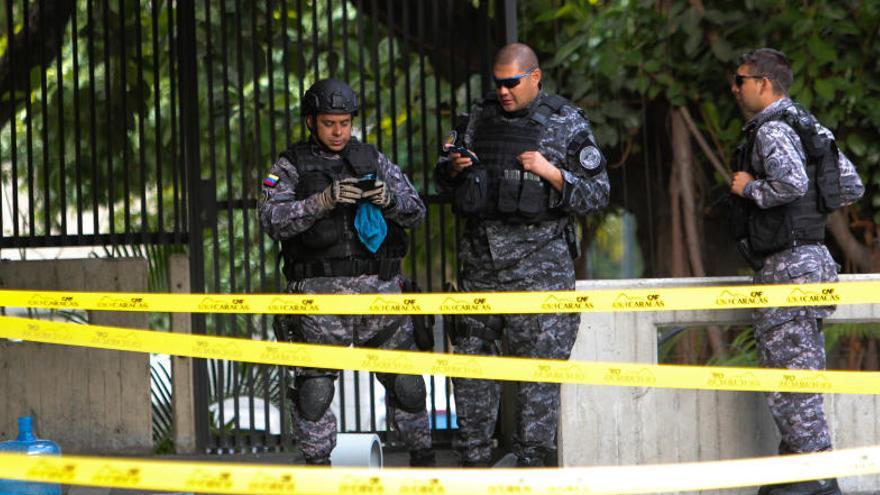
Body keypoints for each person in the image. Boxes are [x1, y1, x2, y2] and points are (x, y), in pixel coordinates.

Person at [434, 43, 610, 467]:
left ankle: (533, 462)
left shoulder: (566, 123)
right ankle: (475, 458)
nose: (504, 92)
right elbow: (445, 183)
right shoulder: (477, 117)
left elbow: (597, 194)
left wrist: (552, 173)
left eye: (512, 83)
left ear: (535, 77)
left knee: (540, 370)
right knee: (474, 362)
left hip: (540, 265)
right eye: (498, 84)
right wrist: (453, 169)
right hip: (481, 263)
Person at [259, 78, 434, 467]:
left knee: (407, 385)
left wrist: (388, 201)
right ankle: (318, 470)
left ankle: (423, 463)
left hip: (380, 294)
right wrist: (320, 201)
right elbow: (271, 220)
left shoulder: (373, 159)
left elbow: (416, 211)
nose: (338, 131)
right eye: (328, 123)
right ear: (310, 122)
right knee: (314, 391)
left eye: (344, 123)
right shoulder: (291, 166)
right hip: (320, 301)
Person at [728, 48, 863, 495]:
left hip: (788, 268)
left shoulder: (771, 129)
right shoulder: (811, 126)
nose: (735, 88)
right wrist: (808, 217)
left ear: (763, 83)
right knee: (796, 378)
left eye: (740, 79)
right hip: (814, 263)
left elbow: (792, 183)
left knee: (792, 388)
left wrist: (751, 189)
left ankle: (821, 481)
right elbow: (850, 184)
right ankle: (795, 476)